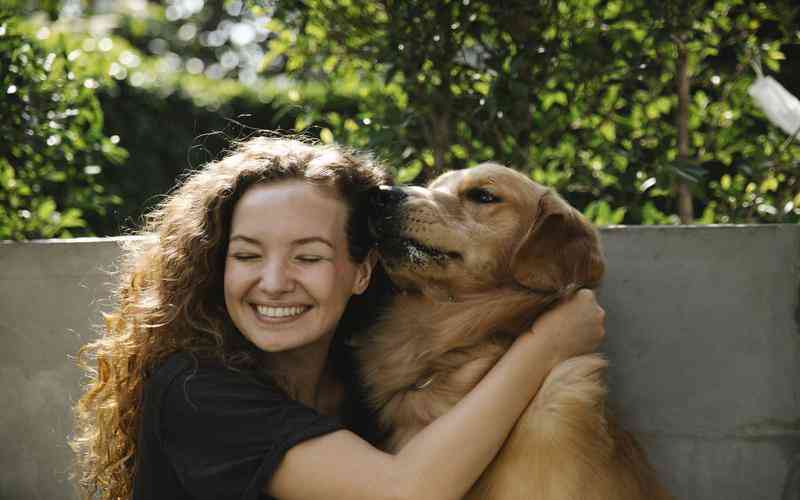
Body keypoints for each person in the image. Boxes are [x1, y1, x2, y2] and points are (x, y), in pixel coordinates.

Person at [72, 136, 606, 500]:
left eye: (308, 257)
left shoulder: (364, 372)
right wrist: (546, 344)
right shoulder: (196, 393)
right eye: (247, 255)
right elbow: (404, 491)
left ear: (363, 272)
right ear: (216, 264)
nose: (275, 282)